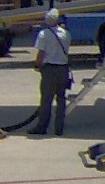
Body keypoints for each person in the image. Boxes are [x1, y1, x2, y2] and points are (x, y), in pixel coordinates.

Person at [28, 8, 73, 136]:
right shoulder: (66, 34)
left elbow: (41, 53)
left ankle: (42, 127)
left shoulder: (44, 34)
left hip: (49, 70)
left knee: (46, 100)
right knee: (61, 99)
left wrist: (37, 65)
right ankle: (59, 128)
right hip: (63, 69)